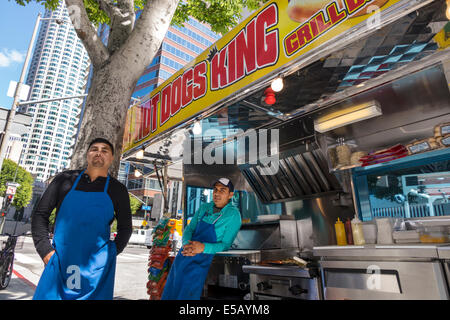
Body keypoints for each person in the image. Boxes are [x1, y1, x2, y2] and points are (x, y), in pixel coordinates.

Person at [31, 138, 132, 300]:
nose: (99, 152)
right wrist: (45, 251)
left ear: (112, 158)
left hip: (96, 272)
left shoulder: (118, 189)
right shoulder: (63, 180)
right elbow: (40, 214)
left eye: (105, 150)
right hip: (60, 262)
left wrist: (110, 254)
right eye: (94, 149)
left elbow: (125, 228)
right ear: (87, 155)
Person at [161, 178, 242, 300]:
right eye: (215, 189)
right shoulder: (205, 207)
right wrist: (187, 245)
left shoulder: (233, 215)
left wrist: (202, 247)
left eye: (222, 190)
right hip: (184, 256)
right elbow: (189, 229)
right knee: (172, 291)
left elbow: (225, 245)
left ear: (230, 195)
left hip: (204, 260)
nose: (217, 193)